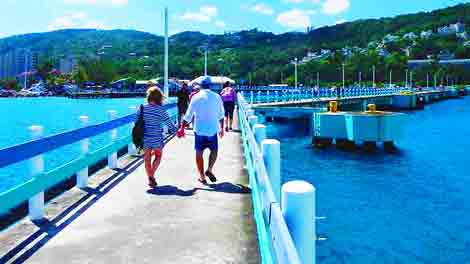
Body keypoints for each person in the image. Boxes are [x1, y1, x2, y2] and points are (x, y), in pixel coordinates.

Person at [177, 77, 225, 184]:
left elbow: (188, 115)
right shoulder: (217, 97)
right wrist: (222, 128)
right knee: (214, 150)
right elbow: (221, 115)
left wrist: (181, 128)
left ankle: (202, 176)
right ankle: (210, 169)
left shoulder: (195, 97)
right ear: (211, 85)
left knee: (199, 153)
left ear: (201, 86)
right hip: (213, 129)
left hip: (199, 129)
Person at [137, 86, 177, 188]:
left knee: (147, 159)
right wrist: (176, 131)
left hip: (145, 137)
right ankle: (151, 176)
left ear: (149, 96)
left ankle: (150, 177)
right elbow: (169, 123)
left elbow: (136, 122)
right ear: (159, 97)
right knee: (158, 156)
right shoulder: (161, 110)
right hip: (157, 138)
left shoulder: (142, 108)